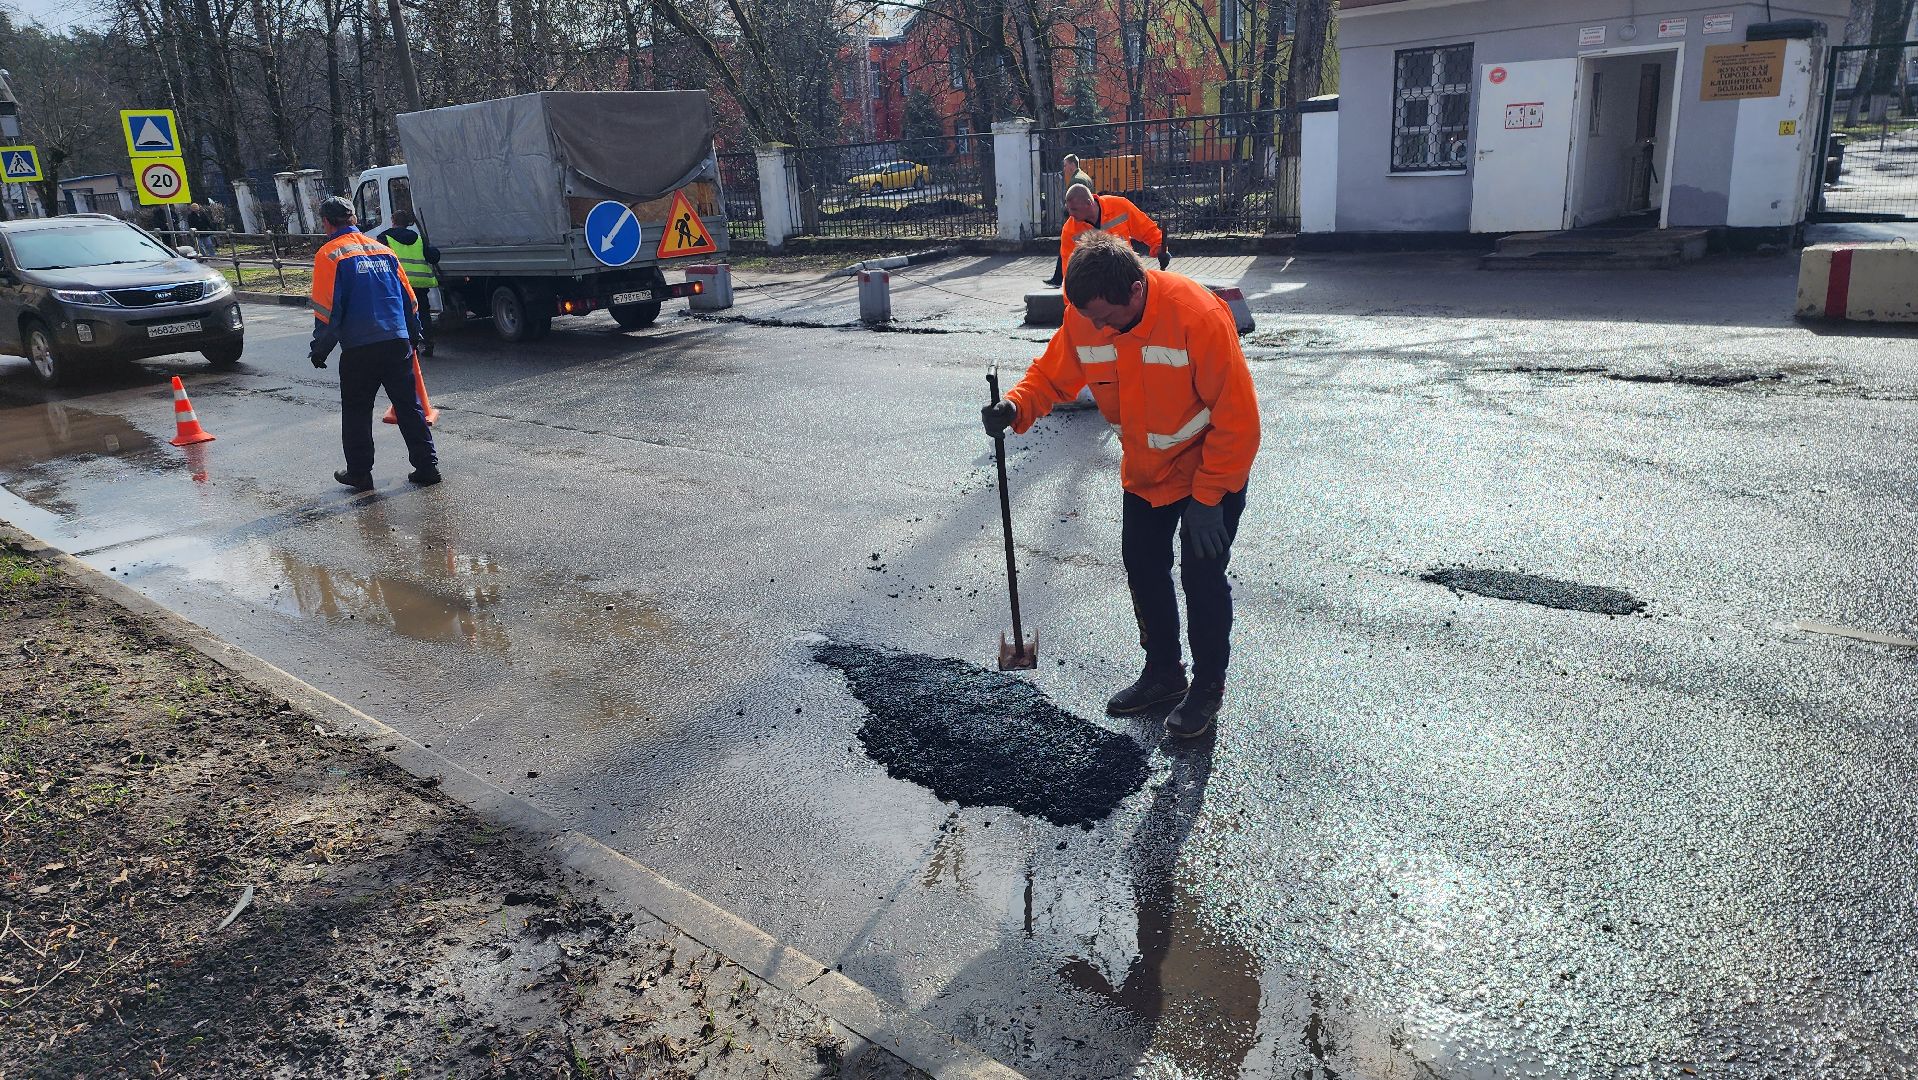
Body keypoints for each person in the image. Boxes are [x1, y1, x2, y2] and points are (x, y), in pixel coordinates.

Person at [982, 231, 1258, 739]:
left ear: (1136, 290)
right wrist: (1016, 407)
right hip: (1147, 474)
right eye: (1090, 318)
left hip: (1209, 474)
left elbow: (1238, 419)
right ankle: (1163, 672)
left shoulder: (1196, 316)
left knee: (1202, 578)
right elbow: (1052, 375)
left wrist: (1209, 497)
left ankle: (1208, 686)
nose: (1098, 328)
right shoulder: (1088, 317)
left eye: (1106, 317)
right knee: (1144, 567)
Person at [308, 195, 440, 491]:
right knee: (409, 407)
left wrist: (320, 349)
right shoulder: (384, 251)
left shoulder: (330, 254)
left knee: (357, 410)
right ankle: (427, 466)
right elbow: (410, 301)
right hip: (396, 342)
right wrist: (414, 335)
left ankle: (360, 473)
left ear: (327, 222)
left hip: (360, 347)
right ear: (354, 218)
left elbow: (328, 310)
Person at [1058, 184, 1168, 284]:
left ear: (1088, 203)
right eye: (1069, 209)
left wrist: (1159, 247)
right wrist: (1071, 304)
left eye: (1074, 209)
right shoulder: (1069, 231)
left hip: (1126, 276)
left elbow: (1147, 229)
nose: (1071, 214)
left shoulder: (1120, 206)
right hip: (1096, 287)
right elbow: (1069, 274)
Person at [379, 210, 443, 357]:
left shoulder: (385, 237)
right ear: (408, 223)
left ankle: (409, 345)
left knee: (402, 314)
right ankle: (428, 343)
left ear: (393, 221)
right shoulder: (419, 238)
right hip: (420, 284)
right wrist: (434, 250)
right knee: (424, 314)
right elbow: (432, 257)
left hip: (398, 284)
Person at [1042, 156, 1100, 287]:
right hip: (1086, 217)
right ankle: (1059, 278)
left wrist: (1068, 213)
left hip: (1080, 220)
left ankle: (1062, 279)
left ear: (1072, 165)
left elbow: (1075, 200)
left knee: (1068, 249)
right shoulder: (1084, 176)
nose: (1064, 168)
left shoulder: (1076, 180)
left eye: (1065, 165)